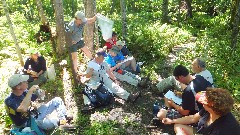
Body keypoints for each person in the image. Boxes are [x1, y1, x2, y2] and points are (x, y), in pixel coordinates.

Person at [5, 74, 73, 130]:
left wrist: (40, 94)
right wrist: (30, 91)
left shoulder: (24, 92)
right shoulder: (10, 100)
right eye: (24, 81)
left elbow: (36, 97)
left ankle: (63, 122)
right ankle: (61, 121)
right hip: (27, 124)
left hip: (34, 114)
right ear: (18, 87)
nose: (27, 82)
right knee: (51, 122)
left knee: (57, 100)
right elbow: (23, 109)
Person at [162, 87, 240, 135]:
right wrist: (172, 121)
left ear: (213, 107)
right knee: (178, 126)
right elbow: (193, 118)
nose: (201, 102)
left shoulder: (226, 128)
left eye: (204, 102)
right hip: (201, 132)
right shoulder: (208, 110)